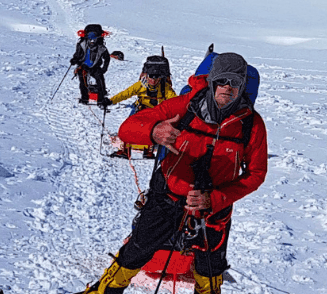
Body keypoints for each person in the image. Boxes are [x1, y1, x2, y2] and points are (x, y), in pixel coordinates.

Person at [81, 54, 267, 294]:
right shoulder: (184, 106)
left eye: (234, 82)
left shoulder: (252, 124)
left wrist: (216, 199)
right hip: (166, 197)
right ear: (211, 81)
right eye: (222, 80)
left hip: (213, 209)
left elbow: (256, 173)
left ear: (243, 86)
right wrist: (154, 131)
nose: (227, 88)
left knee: (209, 267)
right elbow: (127, 129)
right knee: (137, 250)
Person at [104, 55, 177, 159]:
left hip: (156, 111)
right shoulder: (140, 85)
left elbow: (174, 100)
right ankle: (125, 150)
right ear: (146, 75)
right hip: (141, 108)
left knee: (152, 128)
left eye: (157, 77)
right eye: (151, 76)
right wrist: (111, 101)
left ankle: (148, 151)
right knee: (129, 125)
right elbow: (125, 94)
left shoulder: (165, 87)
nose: (153, 80)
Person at [69, 24, 110, 103]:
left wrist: (104, 69)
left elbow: (107, 58)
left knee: (100, 80)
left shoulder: (101, 48)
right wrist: (74, 60)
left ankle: (100, 99)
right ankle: (85, 98)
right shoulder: (82, 44)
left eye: (94, 39)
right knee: (83, 80)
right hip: (84, 66)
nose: (92, 41)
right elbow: (78, 55)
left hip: (95, 67)